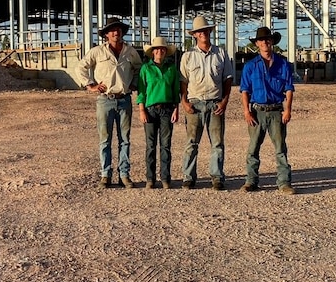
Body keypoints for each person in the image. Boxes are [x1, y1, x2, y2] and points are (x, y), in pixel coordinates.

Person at [76, 17, 143, 189]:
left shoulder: (130, 51)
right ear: (106, 34)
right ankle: (105, 174)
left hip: (124, 99)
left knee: (125, 140)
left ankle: (124, 175)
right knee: (105, 140)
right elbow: (81, 67)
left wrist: (134, 83)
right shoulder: (97, 52)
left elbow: (139, 68)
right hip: (105, 100)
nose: (116, 32)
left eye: (119, 29)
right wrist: (91, 85)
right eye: (112, 30)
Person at [239, 26, 296, 194]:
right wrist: (246, 111)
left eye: (268, 39)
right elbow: (244, 90)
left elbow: (289, 88)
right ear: (257, 44)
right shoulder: (250, 66)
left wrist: (288, 110)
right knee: (253, 148)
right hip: (257, 111)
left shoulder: (283, 64)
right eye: (262, 40)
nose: (265, 42)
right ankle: (251, 181)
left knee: (280, 148)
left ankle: (284, 183)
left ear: (272, 42)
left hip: (277, 111)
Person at [179, 15, 234, 190]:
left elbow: (227, 79)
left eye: (205, 30)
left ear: (209, 31)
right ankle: (188, 177)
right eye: (199, 31)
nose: (203, 33)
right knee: (191, 143)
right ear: (194, 35)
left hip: (215, 102)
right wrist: (184, 102)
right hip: (194, 104)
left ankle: (217, 177)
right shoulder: (188, 56)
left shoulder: (221, 53)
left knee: (217, 143)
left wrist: (224, 101)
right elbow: (183, 82)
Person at [136, 37, 180, 189]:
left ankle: (165, 178)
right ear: (152, 52)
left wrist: (176, 108)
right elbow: (141, 90)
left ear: (166, 51)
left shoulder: (172, 68)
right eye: (157, 49)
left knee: (166, 145)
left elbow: (176, 90)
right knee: (150, 146)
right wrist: (141, 109)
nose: (159, 51)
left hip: (167, 109)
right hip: (150, 110)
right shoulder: (146, 69)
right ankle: (150, 178)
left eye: (162, 49)